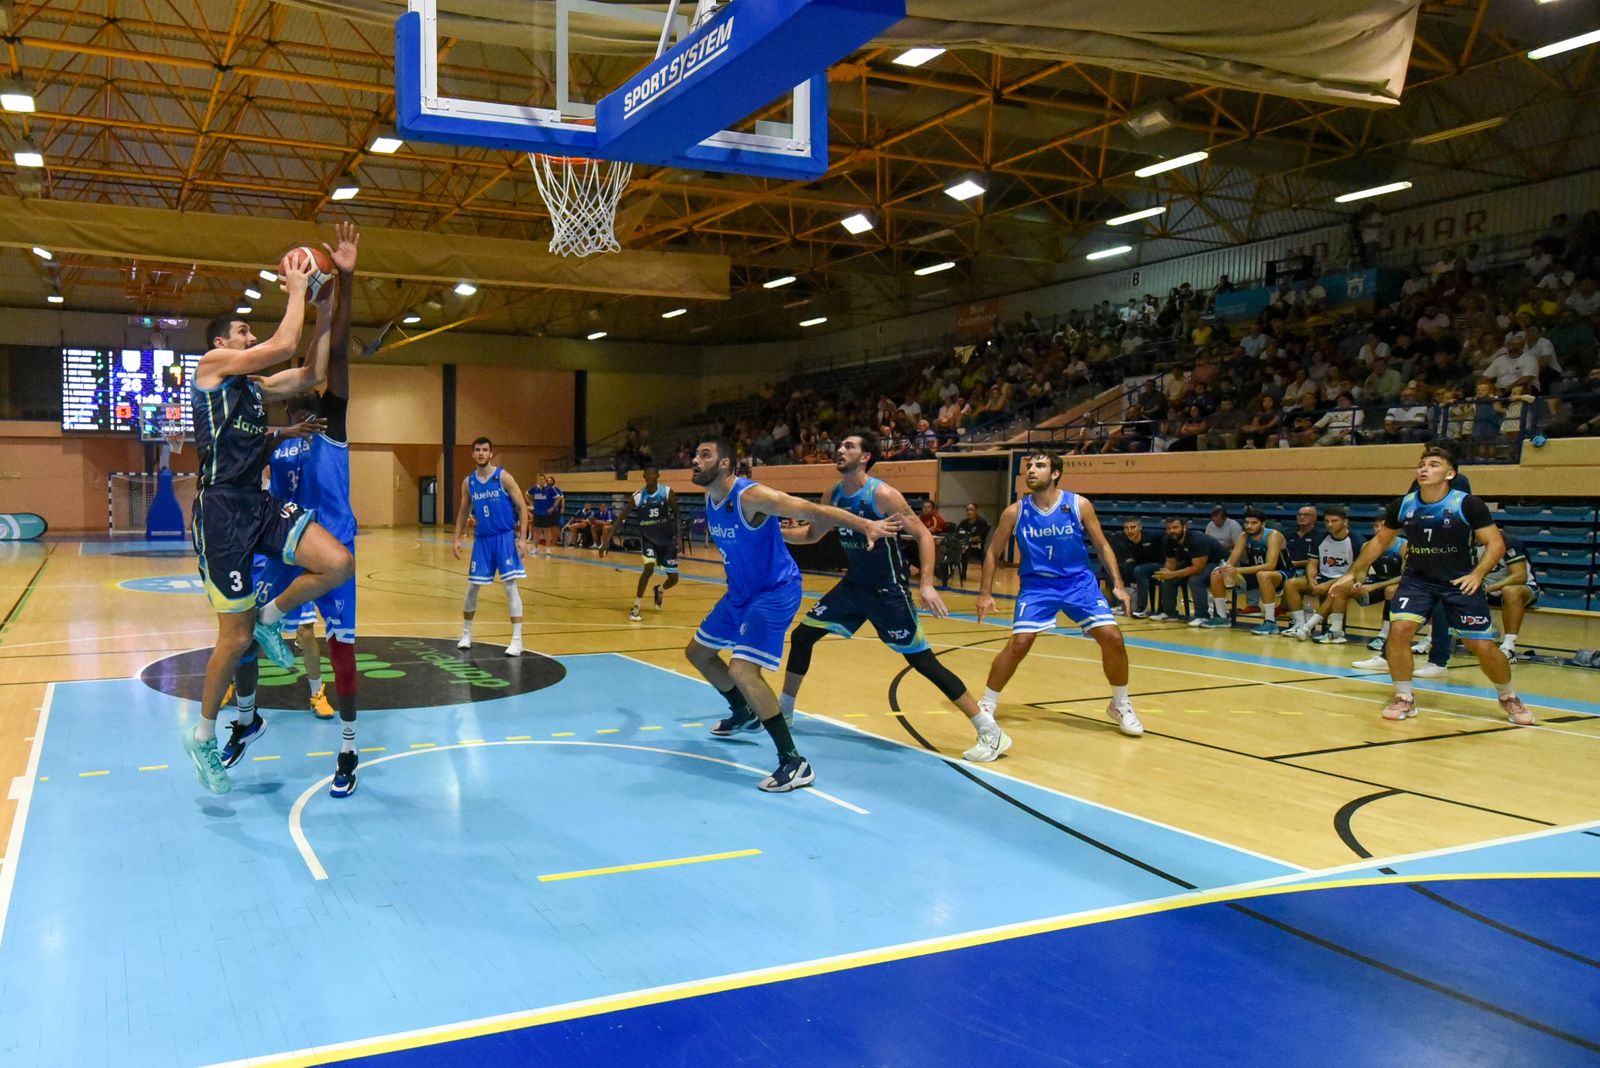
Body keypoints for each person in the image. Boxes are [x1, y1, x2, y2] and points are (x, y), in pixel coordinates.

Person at [181, 254, 355, 795]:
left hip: (256, 505)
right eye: (241, 330)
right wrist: (299, 286)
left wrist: (327, 308)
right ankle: (204, 734)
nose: (248, 333)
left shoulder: (254, 389)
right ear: (220, 343)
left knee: (337, 562)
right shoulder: (210, 369)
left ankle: (271, 617)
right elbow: (282, 346)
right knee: (231, 640)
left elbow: (311, 373)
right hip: (219, 516)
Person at [686, 436, 900, 793]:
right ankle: (743, 712)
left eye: (703, 454)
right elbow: (776, 538)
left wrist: (865, 525)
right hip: (740, 594)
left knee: (742, 668)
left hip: (775, 592)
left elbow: (810, 511)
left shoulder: (750, 496)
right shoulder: (711, 497)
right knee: (698, 653)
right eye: (695, 453)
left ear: (724, 464)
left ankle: (793, 761)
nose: (695, 459)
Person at [779, 431, 1008, 762]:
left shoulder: (883, 495)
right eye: (841, 445)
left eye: (849, 446)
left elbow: (924, 535)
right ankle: (783, 714)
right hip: (854, 587)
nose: (840, 449)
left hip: (889, 591)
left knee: (922, 662)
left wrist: (926, 584)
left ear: (865, 456)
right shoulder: (833, 493)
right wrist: (775, 533)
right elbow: (813, 534)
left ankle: (990, 731)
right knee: (802, 636)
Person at [233, 223, 364, 797]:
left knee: (341, 647)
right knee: (241, 634)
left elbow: (329, 346)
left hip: (330, 541)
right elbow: (280, 371)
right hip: (281, 541)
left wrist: (343, 284)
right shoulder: (271, 429)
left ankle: (349, 749)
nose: (309, 377)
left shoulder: (332, 415)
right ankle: (245, 719)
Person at [1331, 447, 1531, 724]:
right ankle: (1404, 697)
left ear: (1450, 473)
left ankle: (1508, 696)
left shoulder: (1468, 504)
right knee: (1399, 631)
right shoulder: (1403, 504)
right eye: (1422, 464)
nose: (1424, 468)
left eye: (1433, 464)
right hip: (1417, 580)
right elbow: (1380, 541)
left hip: (1458, 581)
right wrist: (1355, 572)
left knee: (1481, 645)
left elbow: (1495, 544)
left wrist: (1477, 574)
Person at [975, 452, 1143, 738]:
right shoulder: (1015, 511)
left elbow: (1102, 546)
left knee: (1113, 637)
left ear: (1055, 473)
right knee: (1020, 642)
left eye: (1039, 465)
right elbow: (992, 551)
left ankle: (1120, 704)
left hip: (1079, 582)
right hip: (1038, 586)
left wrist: (1117, 584)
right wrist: (985, 592)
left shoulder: (1078, 504)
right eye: (1029, 466)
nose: (1031, 470)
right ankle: (987, 704)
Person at [452, 437, 530, 656]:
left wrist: (522, 538)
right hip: (483, 540)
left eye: (485, 450)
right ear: (473, 454)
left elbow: (522, 507)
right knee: (472, 586)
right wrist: (456, 538)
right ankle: (466, 633)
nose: (481, 453)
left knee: (510, 586)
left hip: (504, 537)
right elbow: (463, 511)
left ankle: (517, 639)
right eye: (477, 450)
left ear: (491, 454)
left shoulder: (503, 477)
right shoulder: (469, 482)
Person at [1197, 506, 1291, 635]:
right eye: (1247, 522)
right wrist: (1226, 569)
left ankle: (1270, 622)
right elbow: (1231, 561)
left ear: (1262, 524)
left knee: (1264, 575)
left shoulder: (1273, 536)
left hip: (1281, 573)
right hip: (1254, 573)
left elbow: (1270, 566)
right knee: (1217, 572)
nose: (1249, 526)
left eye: (1254, 523)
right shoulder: (1244, 536)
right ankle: (1222, 617)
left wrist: (1237, 570)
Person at [613, 462, 680, 621]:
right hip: (648, 540)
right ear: (643, 476)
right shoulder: (637, 496)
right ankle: (636, 607)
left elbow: (677, 514)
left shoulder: (667, 492)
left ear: (657, 475)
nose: (650, 477)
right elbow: (621, 517)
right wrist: (607, 540)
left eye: (653, 474)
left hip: (666, 540)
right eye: (647, 474)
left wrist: (679, 536)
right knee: (648, 569)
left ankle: (659, 589)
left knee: (674, 579)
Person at [1284, 504, 1361, 642]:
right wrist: (1311, 578)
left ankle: (1308, 627)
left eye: (1334, 521)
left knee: (1335, 590)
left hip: (1346, 580)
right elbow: (1312, 563)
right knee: (1291, 584)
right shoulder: (1319, 538)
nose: (1330, 524)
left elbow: (1354, 571)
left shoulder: (1356, 541)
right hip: (1323, 577)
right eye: (1327, 521)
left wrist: (1329, 584)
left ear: (1345, 522)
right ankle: (1300, 624)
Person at [1147, 517, 1222, 621]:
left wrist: (1173, 574)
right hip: (1192, 562)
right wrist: (1165, 573)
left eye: (1175, 527)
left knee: (1195, 580)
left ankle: (1202, 616)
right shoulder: (1168, 540)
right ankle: (1170, 613)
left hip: (1217, 563)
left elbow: (1198, 568)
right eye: (1168, 528)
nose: (1172, 531)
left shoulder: (1196, 539)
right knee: (1166, 578)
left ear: (1184, 527)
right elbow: (1170, 563)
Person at [1480, 535, 1539, 661]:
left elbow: (1520, 576)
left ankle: (1509, 647)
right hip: (1488, 589)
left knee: (1510, 591)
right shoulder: (1467, 543)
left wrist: (1490, 588)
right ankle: (1438, 639)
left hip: (1523, 588)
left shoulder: (1509, 542)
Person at [1107, 517, 1162, 617]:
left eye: (1133, 527)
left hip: (1157, 565)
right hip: (1138, 565)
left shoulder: (1154, 536)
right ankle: (1119, 604)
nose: (1129, 531)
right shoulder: (1120, 539)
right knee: (1114, 569)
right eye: (1126, 528)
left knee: (1139, 570)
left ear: (1140, 527)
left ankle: (1142, 608)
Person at [527, 474, 564, 558]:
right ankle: (535, 548)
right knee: (536, 531)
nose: (541, 481)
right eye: (539, 479)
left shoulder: (550, 489)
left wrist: (553, 507)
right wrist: (531, 503)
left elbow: (558, 498)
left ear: (545, 480)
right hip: (537, 512)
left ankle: (548, 549)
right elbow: (526, 494)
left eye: (542, 479)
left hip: (546, 513)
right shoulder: (535, 488)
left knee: (547, 531)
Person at [953, 503, 990, 583]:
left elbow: (979, 538)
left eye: (971, 510)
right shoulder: (964, 522)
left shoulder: (981, 522)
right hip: (963, 545)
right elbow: (957, 533)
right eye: (967, 510)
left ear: (976, 511)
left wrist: (967, 539)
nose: (969, 512)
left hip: (976, 547)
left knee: (965, 550)